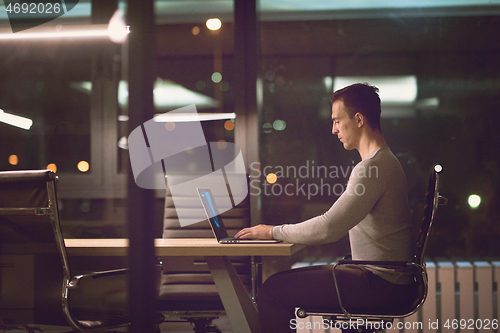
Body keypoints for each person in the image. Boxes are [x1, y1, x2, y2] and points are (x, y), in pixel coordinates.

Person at [234, 83, 417, 332]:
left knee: (272, 291)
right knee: (280, 285)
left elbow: (330, 227)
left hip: (380, 284)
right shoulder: (383, 163)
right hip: (386, 281)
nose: (334, 130)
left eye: (337, 121)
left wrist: (272, 231)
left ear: (359, 119)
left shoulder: (373, 167)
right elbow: (333, 223)